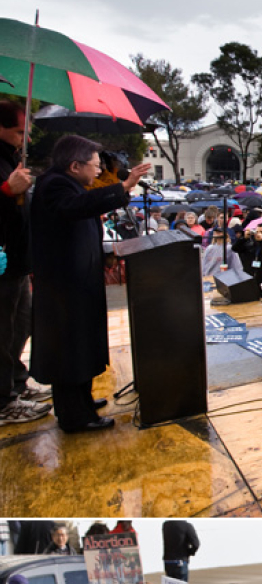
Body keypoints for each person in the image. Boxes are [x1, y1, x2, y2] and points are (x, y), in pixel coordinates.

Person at [28, 134, 151, 432]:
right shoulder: (55, 186)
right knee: (69, 349)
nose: (98, 171)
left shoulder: (68, 184)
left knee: (80, 346)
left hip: (77, 281)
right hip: (64, 286)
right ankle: (75, 416)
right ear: (74, 165)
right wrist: (121, 187)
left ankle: (80, 402)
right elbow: (76, 208)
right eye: (95, 166)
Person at [0, 100, 52, 426]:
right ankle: (4, 402)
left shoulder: (10, 159)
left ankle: (15, 384)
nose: (25, 137)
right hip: (3, 264)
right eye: (20, 131)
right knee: (3, 333)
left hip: (18, 262)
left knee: (21, 325)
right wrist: (6, 190)